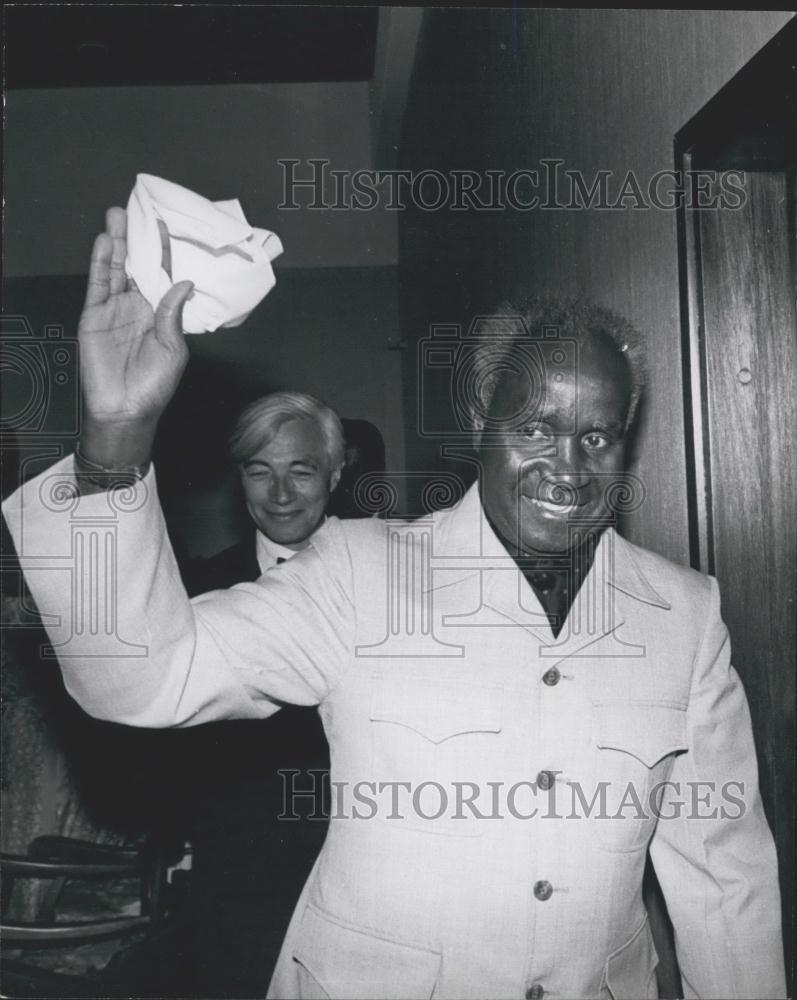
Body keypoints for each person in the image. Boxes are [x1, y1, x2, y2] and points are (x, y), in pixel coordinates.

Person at [3, 207, 785, 1000]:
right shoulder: (358, 571)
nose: (567, 466)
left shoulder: (682, 616)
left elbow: (725, 883)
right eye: (536, 427)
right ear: (480, 418)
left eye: (597, 436)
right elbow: (143, 678)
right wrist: (115, 438)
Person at [174, 392, 344, 996]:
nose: (280, 494)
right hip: (237, 878)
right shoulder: (197, 590)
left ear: (335, 474)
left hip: (354, 870)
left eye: (301, 470)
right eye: (259, 471)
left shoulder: (387, 586)